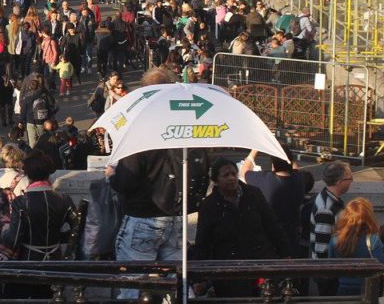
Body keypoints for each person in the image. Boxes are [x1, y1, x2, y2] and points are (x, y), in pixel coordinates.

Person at [106, 68, 210, 300]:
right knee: (177, 281)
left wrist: (112, 175)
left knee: (134, 284)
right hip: (176, 218)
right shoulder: (187, 127)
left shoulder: (142, 130)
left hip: (144, 217)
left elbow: (127, 181)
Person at [192, 158, 288, 297]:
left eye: (233, 174)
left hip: (260, 262)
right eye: (225, 175)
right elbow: (203, 242)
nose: (231, 178)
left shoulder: (253, 194)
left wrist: (285, 254)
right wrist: (198, 277)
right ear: (216, 180)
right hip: (229, 269)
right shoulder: (209, 205)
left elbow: (272, 225)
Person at [0, 152, 80, 298]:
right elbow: (78, 230)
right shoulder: (64, 200)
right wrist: (58, 238)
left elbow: (13, 238)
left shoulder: (21, 202)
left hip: (27, 264)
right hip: (55, 262)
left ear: (27, 175)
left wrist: (2, 232)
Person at [239, 146, 313, 258]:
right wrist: (283, 150)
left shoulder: (265, 180)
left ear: (273, 166)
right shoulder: (299, 179)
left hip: (270, 240)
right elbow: (295, 168)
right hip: (292, 238)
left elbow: (244, 171)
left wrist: (255, 149)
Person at [327, 198, 384, 296]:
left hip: (343, 291)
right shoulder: (373, 240)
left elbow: (332, 269)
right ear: (369, 217)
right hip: (367, 292)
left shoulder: (335, 240)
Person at [310, 161, 354, 296]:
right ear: (339, 182)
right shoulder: (326, 209)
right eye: (350, 178)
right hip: (328, 272)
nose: (352, 181)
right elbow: (321, 249)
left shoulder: (329, 199)